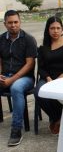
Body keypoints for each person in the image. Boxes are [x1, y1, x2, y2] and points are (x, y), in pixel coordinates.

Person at [34, 16, 63, 135]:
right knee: (39, 92)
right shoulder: (43, 47)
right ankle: (57, 118)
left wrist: (62, 76)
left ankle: (58, 119)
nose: (55, 31)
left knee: (59, 93)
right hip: (48, 78)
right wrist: (48, 79)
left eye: (58, 28)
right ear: (48, 30)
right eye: (52, 28)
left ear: (62, 29)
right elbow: (41, 68)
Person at [0, 10, 37, 146]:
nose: (13, 25)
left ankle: (16, 130)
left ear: (20, 22)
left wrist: (12, 79)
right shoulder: (1, 39)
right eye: (10, 23)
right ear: (5, 24)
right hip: (5, 76)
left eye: (16, 22)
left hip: (24, 78)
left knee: (16, 88)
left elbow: (30, 64)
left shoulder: (28, 39)